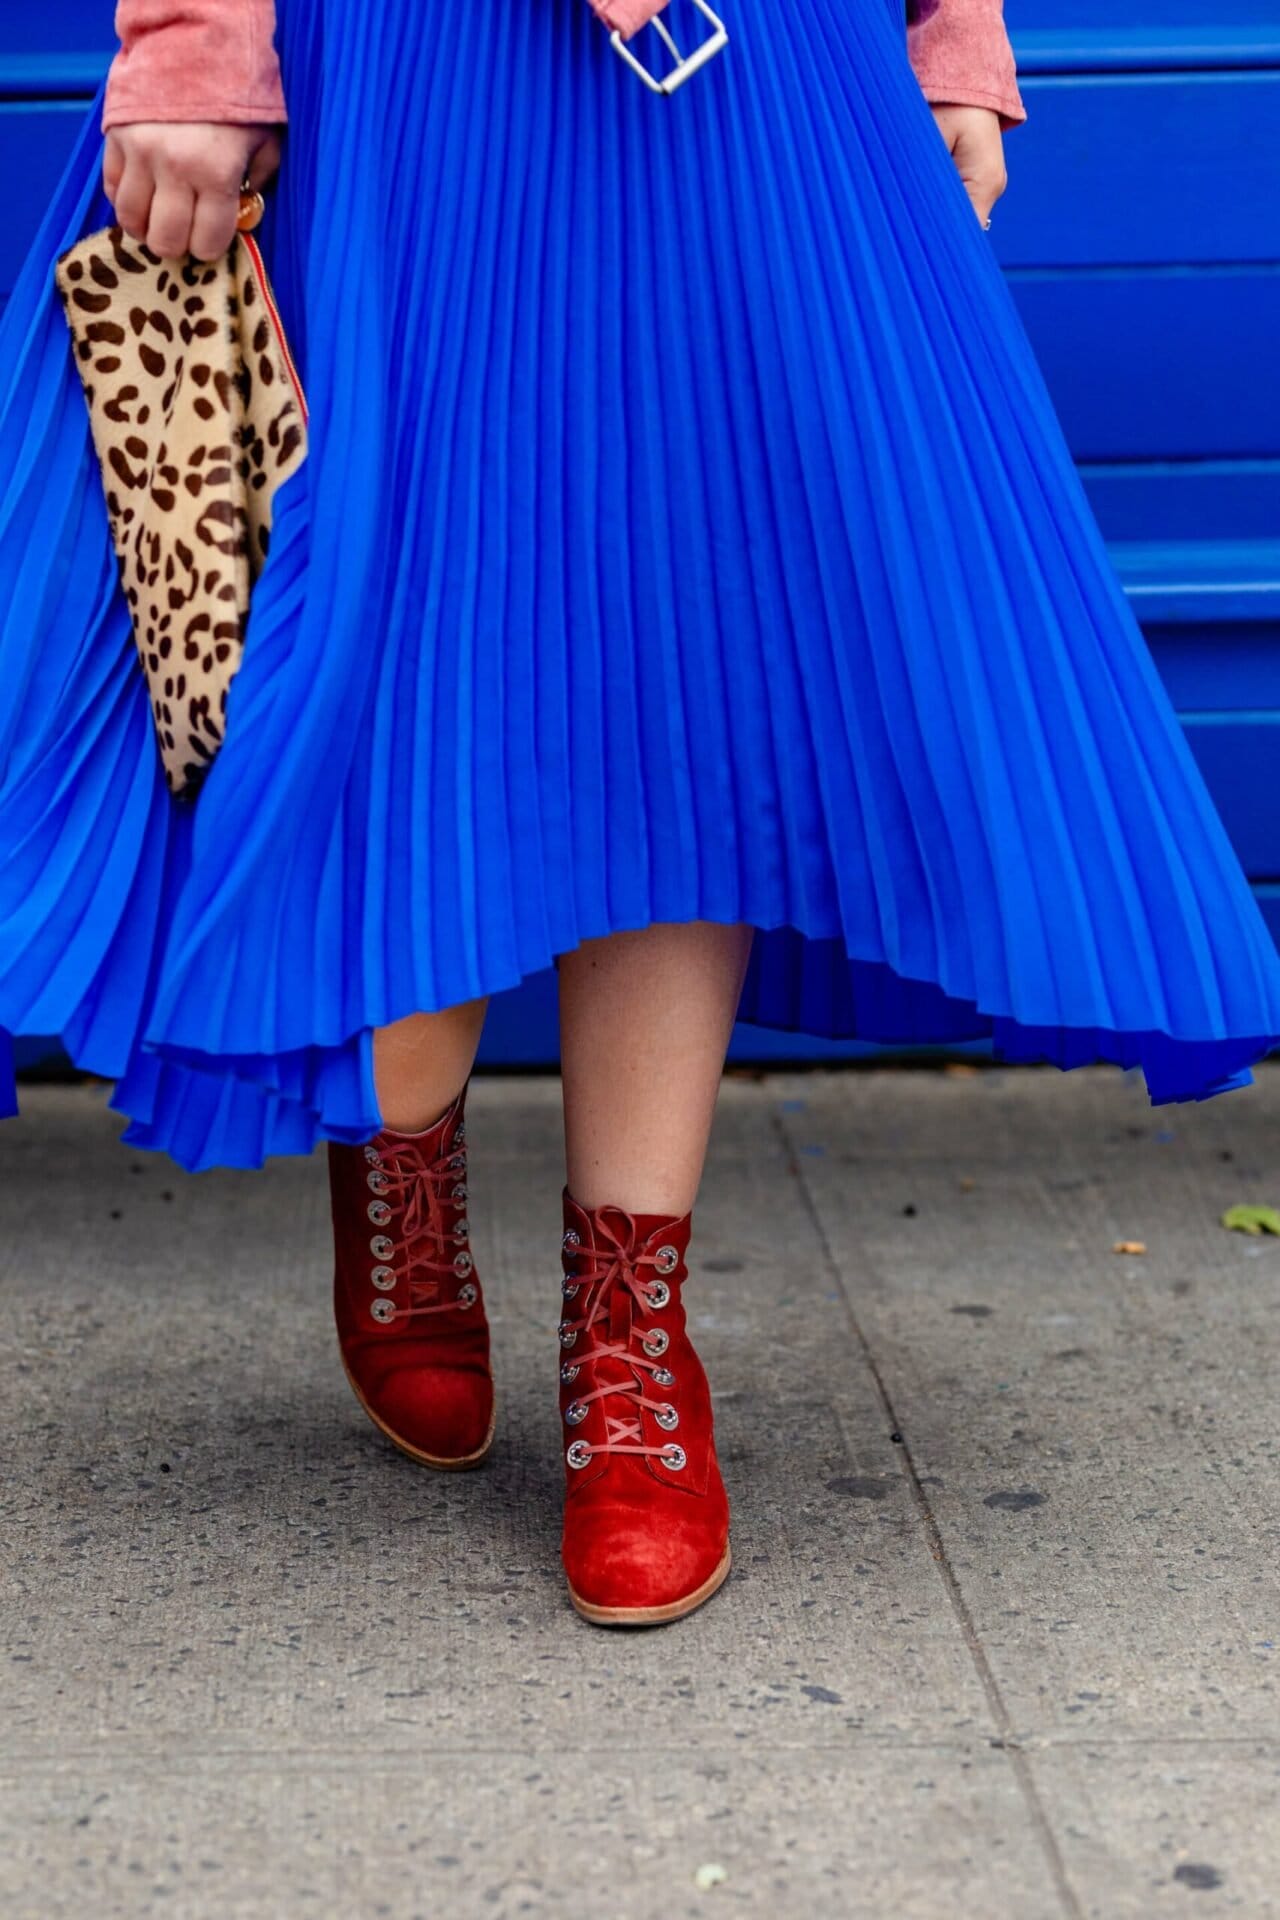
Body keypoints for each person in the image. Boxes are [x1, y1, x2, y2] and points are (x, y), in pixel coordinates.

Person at [0, 0, 1276, 1628]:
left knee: (700, 650)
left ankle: (631, 1328)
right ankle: (400, 1147)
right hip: (414, 56)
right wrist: (193, 36)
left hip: (751, 56)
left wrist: (951, 26)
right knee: (412, 635)